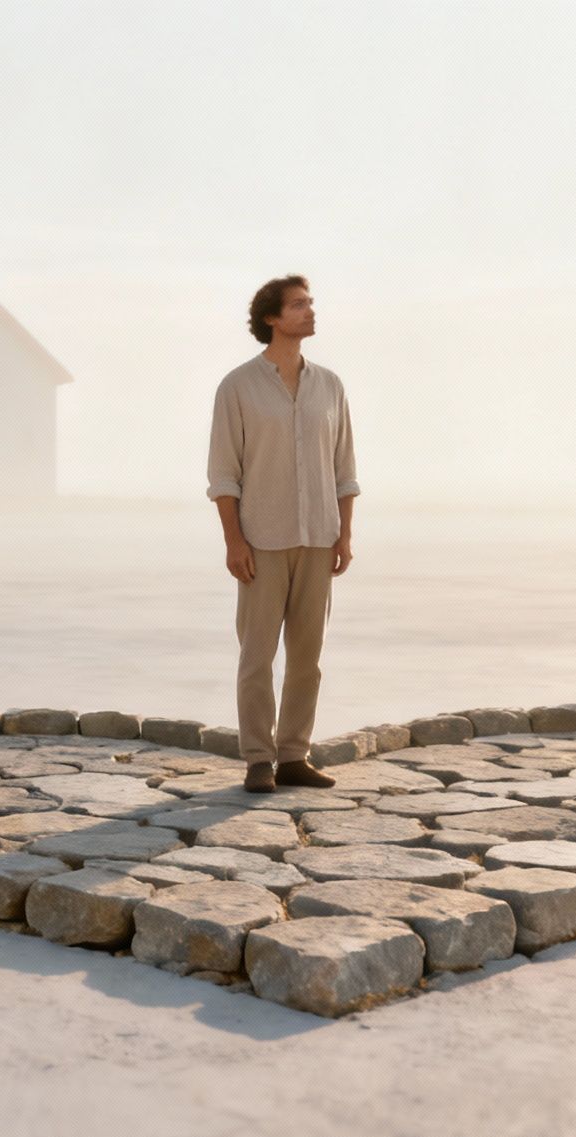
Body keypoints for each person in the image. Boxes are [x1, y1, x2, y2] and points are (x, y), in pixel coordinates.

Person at [205, 275, 360, 793]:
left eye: (310, 302)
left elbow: (345, 469)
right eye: (299, 305)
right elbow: (224, 474)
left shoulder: (330, 386)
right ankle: (257, 759)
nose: (310, 311)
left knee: (307, 657)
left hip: (319, 537)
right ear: (272, 317)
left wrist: (345, 535)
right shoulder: (237, 387)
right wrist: (234, 541)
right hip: (262, 539)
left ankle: (294, 755)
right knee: (256, 657)